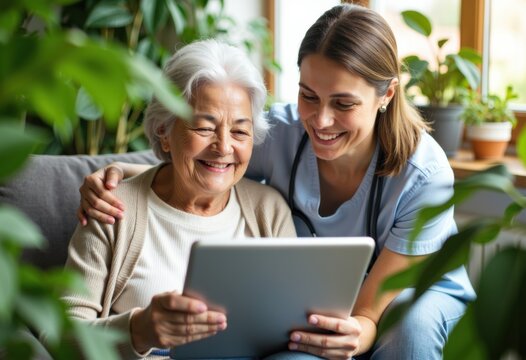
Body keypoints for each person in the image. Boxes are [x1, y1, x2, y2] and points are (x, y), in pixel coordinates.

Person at [76, 4, 476, 360]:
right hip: (321, 300)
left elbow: (368, 313)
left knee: (410, 328)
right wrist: (122, 175)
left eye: (344, 103)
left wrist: (360, 333)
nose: (320, 121)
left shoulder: (425, 175)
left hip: (410, 291)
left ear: (386, 94)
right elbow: (202, 158)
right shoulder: (280, 133)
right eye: (308, 95)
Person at [62, 38, 296, 359]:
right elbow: (60, 334)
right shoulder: (112, 207)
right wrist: (139, 330)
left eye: (240, 131)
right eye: (204, 127)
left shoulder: (268, 210)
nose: (224, 146)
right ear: (164, 131)